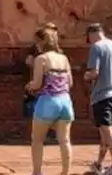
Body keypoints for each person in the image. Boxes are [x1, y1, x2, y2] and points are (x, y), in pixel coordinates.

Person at [26, 24, 74, 175]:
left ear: (41, 42)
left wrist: (29, 86)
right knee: (64, 141)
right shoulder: (64, 58)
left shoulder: (42, 59)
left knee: (38, 140)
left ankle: (37, 172)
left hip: (47, 102)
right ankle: (65, 172)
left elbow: (37, 83)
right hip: (65, 101)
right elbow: (70, 82)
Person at [84, 23, 112, 175]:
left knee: (107, 129)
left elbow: (94, 72)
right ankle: (99, 164)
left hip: (102, 94)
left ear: (90, 35)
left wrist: (86, 76)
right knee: (105, 131)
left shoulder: (96, 47)